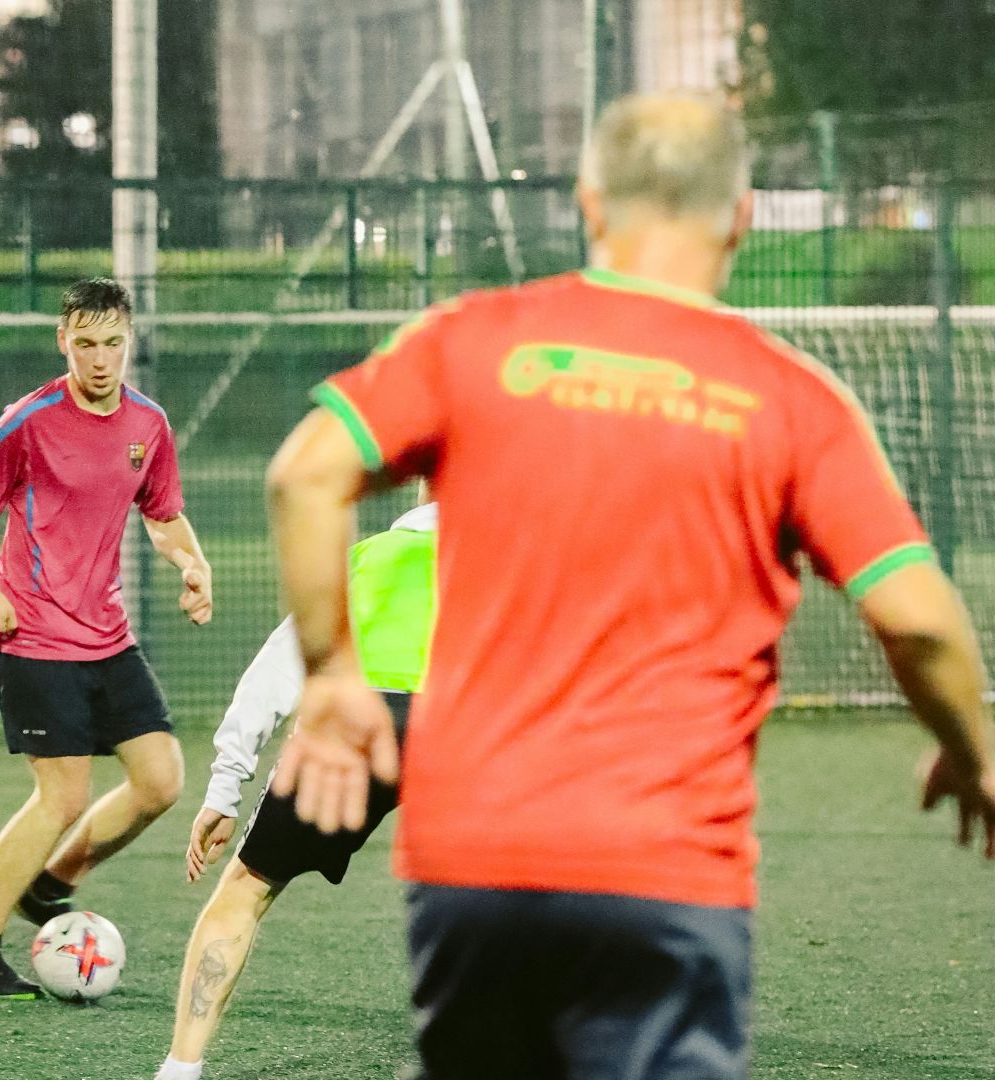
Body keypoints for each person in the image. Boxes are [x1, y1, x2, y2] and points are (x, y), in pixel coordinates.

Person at [264, 93, 995, 1079]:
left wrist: (333, 674)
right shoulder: (793, 399)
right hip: (666, 874)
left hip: (472, 864)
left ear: (588, 202)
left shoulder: (471, 339)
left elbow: (304, 473)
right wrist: (973, 751)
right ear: (740, 217)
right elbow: (918, 624)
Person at [0, 277, 214, 999]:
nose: (100, 359)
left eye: (113, 344)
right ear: (63, 340)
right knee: (61, 798)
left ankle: (52, 884)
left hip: (107, 635)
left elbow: (162, 514)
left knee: (161, 781)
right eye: (85, 343)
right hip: (32, 634)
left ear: (131, 341)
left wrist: (193, 561)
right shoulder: (29, 419)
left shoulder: (148, 424)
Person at [157, 502, 434, 1080]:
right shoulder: (508, 564)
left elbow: (272, 675)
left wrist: (225, 789)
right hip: (460, 729)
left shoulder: (363, 557)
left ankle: (180, 1070)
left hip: (355, 724)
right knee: (512, 900)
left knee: (244, 891)